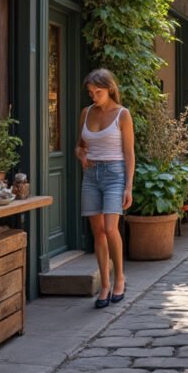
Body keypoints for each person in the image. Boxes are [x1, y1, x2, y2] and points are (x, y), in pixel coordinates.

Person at [76, 69, 135, 309]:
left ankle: (119, 277)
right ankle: (104, 284)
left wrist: (128, 186)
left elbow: (130, 153)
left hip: (114, 174)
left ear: (109, 88)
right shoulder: (86, 113)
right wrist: (80, 154)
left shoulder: (123, 115)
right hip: (90, 176)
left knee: (111, 228)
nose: (93, 96)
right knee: (97, 232)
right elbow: (79, 146)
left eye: (97, 92)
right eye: (90, 92)